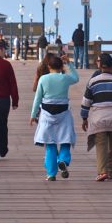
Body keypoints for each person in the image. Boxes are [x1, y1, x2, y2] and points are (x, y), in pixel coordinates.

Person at [80, 52, 112, 181]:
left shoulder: (92, 82)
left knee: (101, 145)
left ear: (100, 66)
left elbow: (86, 102)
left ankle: (102, 171)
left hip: (98, 118)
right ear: (111, 65)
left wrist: (84, 118)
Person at [30, 52, 79, 181]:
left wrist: (33, 114)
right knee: (65, 141)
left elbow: (37, 98)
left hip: (47, 113)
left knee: (50, 144)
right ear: (61, 66)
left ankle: (51, 174)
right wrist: (69, 63)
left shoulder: (43, 79)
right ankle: (63, 160)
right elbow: (76, 78)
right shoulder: (65, 78)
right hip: (63, 113)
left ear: (48, 66)